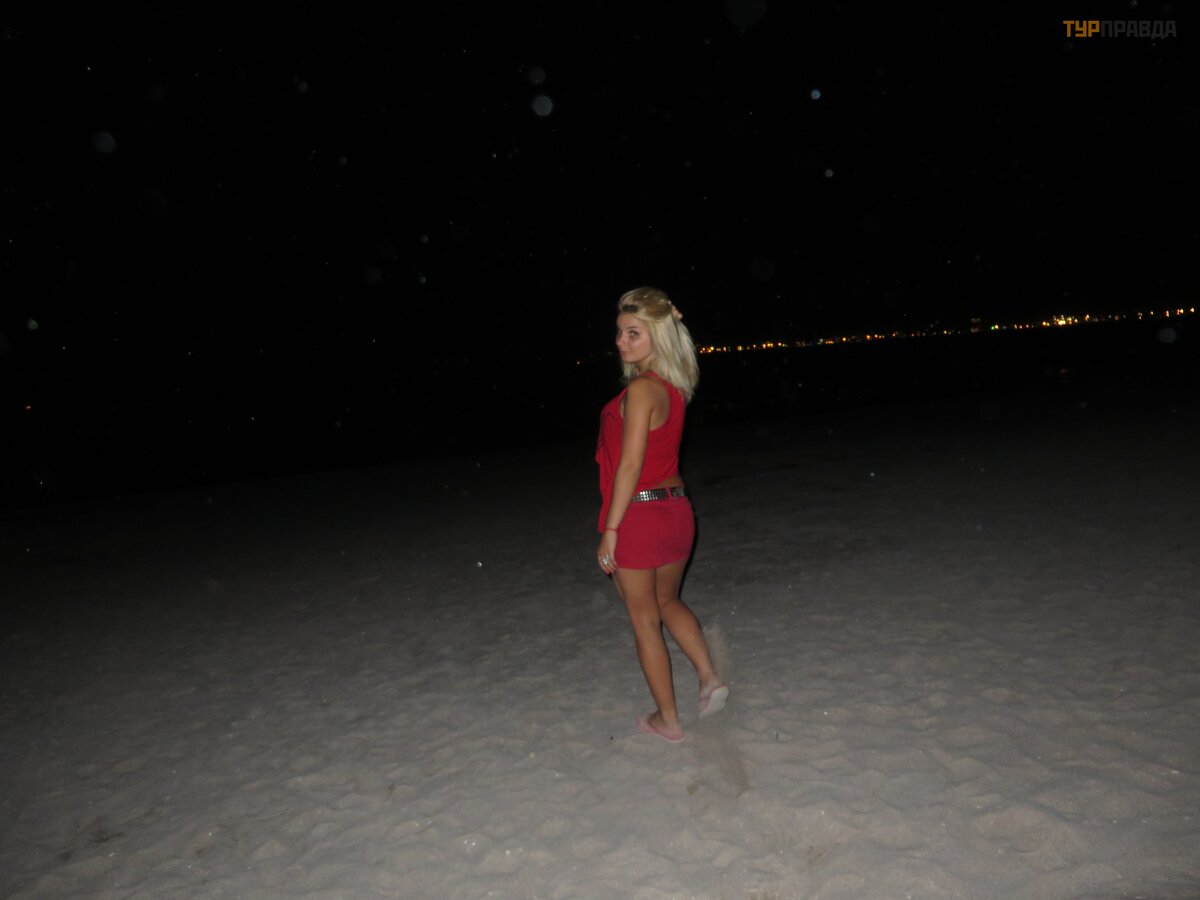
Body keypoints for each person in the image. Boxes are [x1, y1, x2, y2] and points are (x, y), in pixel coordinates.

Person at [595, 286, 728, 743]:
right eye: (619, 332)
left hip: (640, 515)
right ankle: (709, 678)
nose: (621, 341)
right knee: (667, 601)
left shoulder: (641, 390)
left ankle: (668, 719)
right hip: (677, 511)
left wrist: (611, 528)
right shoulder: (675, 388)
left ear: (658, 335)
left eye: (634, 333)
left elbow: (631, 465)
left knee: (644, 619)